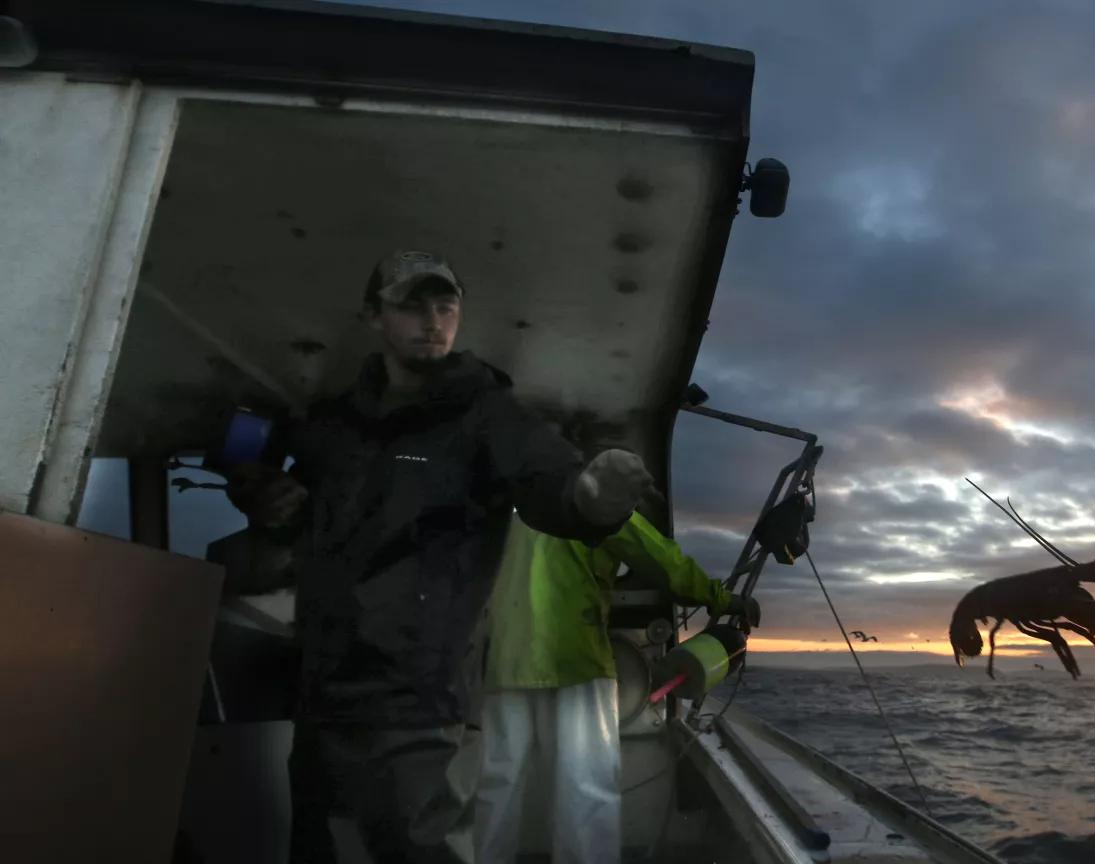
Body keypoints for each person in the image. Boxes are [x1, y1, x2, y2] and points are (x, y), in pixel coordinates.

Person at [223, 250, 652, 864]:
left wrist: (588, 498)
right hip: (323, 687)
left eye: (445, 305)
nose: (432, 320)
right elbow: (253, 456)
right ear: (373, 315)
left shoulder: (486, 415)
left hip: (421, 696)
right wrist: (259, 491)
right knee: (322, 846)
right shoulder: (335, 422)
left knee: (422, 849)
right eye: (411, 305)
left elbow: (546, 479)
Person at [474, 431, 761, 864]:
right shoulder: (596, 507)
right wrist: (724, 599)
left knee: (497, 786)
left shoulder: (506, 507)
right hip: (576, 664)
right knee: (584, 789)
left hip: (503, 665)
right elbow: (666, 563)